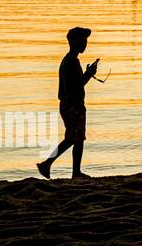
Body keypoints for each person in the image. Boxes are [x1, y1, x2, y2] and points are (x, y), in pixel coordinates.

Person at [37, 27, 98, 179]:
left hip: (70, 104)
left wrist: (87, 74)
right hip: (72, 105)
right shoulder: (71, 61)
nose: (85, 43)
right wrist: (89, 74)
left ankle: (75, 172)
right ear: (75, 42)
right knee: (73, 138)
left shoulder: (69, 60)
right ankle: (47, 163)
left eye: (86, 40)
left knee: (78, 138)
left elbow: (75, 83)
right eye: (83, 40)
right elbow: (76, 86)